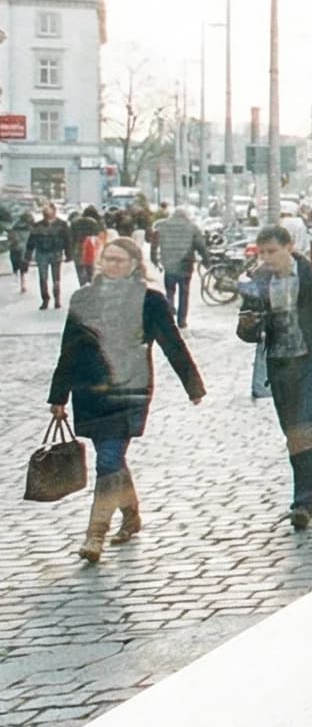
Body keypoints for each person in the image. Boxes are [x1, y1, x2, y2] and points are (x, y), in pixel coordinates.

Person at [48, 237, 205, 562]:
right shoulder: (84, 299)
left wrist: (193, 386)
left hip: (130, 391)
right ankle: (131, 515)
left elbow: (172, 344)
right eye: (108, 259)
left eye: (120, 260)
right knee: (112, 460)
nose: (112, 265)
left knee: (108, 460)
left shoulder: (150, 301)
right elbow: (70, 350)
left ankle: (95, 535)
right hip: (90, 393)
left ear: (135, 264)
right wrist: (58, 396)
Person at [240, 222, 312, 529]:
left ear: (289, 247)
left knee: (305, 432)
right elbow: (247, 333)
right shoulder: (258, 281)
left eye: (272, 251)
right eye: (262, 252)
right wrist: (249, 324)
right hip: (280, 368)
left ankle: (303, 502)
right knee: (295, 435)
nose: (266, 258)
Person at [151, 202, 203, 326]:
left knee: (170, 290)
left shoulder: (161, 225)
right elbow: (200, 245)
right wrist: (206, 260)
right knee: (184, 293)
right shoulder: (192, 227)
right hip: (186, 264)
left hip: (169, 263)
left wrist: (154, 259)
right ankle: (182, 320)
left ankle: (169, 315)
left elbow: (154, 244)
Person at [28, 203, 68, 309]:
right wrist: (27, 255)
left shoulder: (62, 224)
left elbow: (67, 239)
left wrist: (68, 253)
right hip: (42, 253)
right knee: (43, 278)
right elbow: (31, 240)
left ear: (54, 212)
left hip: (56, 252)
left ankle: (57, 299)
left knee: (56, 278)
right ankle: (45, 299)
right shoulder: (38, 225)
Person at [69, 205, 102, 286]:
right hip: (91, 249)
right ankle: (91, 288)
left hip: (78, 248)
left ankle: (83, 287)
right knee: (91, 270)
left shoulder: (75, 222)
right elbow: (99, 237)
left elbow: (71, 238)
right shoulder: (95, 223)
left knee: (80, 270)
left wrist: (70, 251)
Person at [7, 211, 27, 293]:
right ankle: (23, 282)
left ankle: (19, 278)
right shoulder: (30, 228)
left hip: (15, 249)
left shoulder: (14, 227)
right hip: (24, 250)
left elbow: (10, 239)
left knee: (16, 264)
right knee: (23, 268)